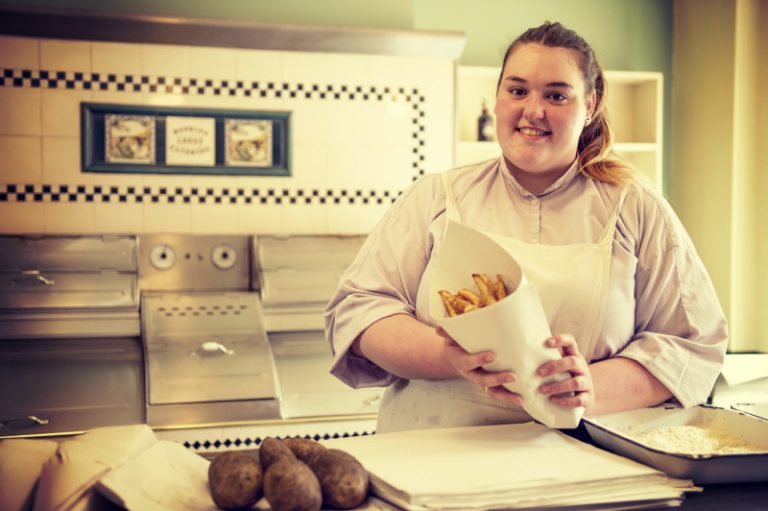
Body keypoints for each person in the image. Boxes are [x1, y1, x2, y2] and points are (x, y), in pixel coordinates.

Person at [324, 21, 728, 433]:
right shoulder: (435, 197)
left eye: (556, 95)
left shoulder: (637, 208)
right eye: (517, 91)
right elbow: (360, 310)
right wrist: (447, 356)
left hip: (582, 457)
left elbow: (691, 344)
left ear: (590, 105)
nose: (533, 110)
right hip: (432, 449)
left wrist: (592, 386)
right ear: (498, 99)